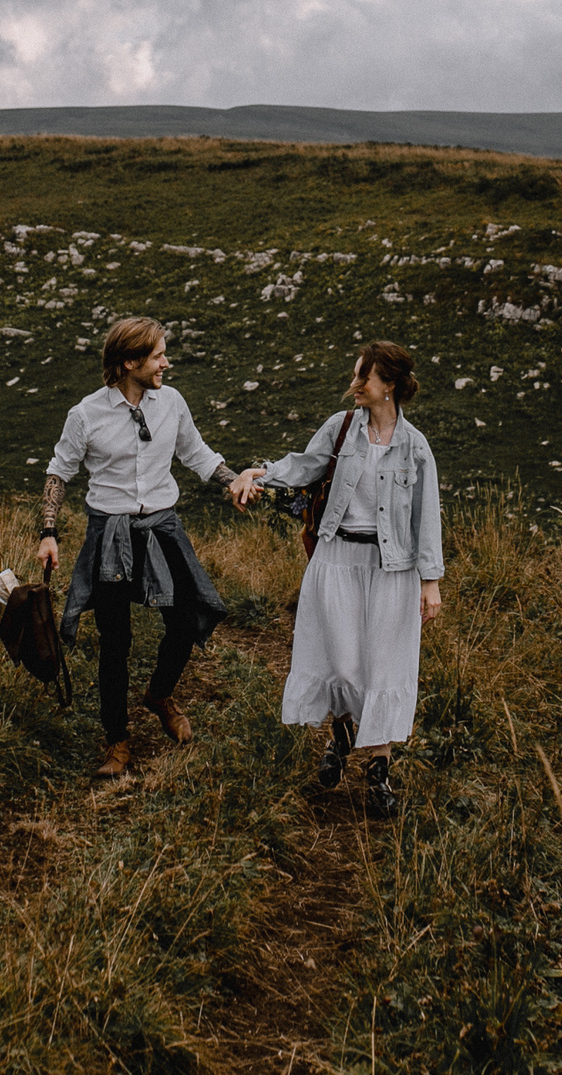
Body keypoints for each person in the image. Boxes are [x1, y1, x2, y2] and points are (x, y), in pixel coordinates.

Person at [236, 341, 442, 817]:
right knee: (345, 658)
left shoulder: (415, 447)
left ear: (387, 385)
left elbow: (426, 515)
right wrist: (261, 473)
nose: (354, 386)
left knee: (385, 667)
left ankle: (379, 773)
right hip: (335, 558)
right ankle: (342, 735)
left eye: (362, 379)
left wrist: (430, 581)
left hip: (392, 570)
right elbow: (306, 467)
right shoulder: (342, 427)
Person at [42, 316, 248, 780]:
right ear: (129, 361)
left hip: (164, 528)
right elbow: (59, 472)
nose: (166, 363)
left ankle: (158, 694)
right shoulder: (86, 415)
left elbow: (196, 453)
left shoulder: (171, 402)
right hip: (111, 535)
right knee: (115, 642)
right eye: (158, 355)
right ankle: (117, 743)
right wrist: (48, 533)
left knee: (186, 618)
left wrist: (233, 481)